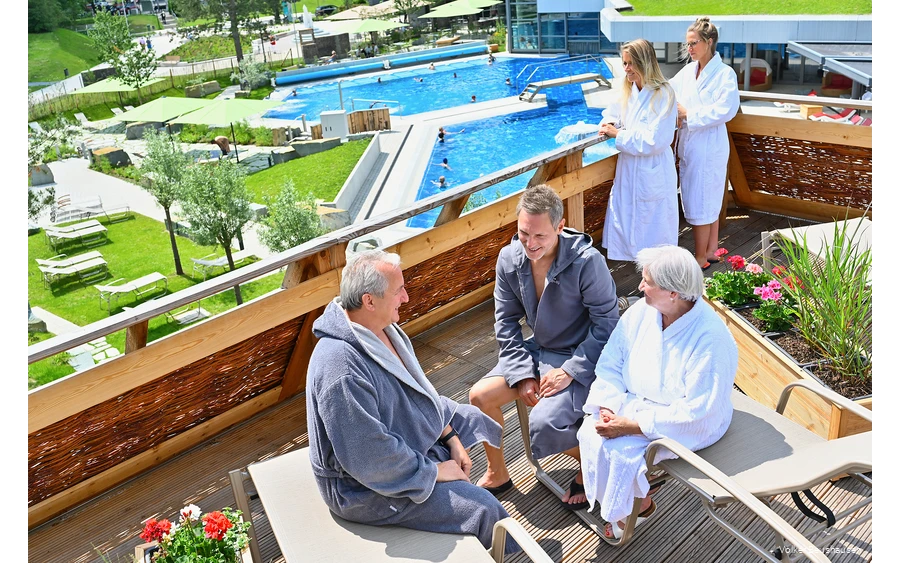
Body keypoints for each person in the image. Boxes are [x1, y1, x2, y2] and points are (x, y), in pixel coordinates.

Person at [305, 251, 519, 554]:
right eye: (398, 291)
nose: (406, 297)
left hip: (390, 440)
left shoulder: (381, 329)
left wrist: (450, 436)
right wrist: (434, 472)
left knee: (473, 418)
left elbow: (418, 393)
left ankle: (490, 476)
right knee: (482, 507)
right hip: (360, 487)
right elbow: (368, 457)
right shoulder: (341, 368)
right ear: (369, 301)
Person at [468, 184, 620, 509]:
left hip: (580, 356)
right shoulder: (509, 259)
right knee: (479, 397)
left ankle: (602, 467)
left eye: (540, 237)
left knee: (543, 421)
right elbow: (505, 323)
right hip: (537, 350)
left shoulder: (587, 262)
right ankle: (497, 473)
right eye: (524, 234)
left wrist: (569, 371)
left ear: (560, 227)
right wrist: (522, 374)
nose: (530, 244)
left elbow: (608, 324)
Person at [577, 244, 738, 539]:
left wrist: (634, 427)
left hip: (682, 421)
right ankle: (638, 502)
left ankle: (632, 509)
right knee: (590, 431)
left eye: (647, 282)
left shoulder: (710, 339)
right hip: (632, 403)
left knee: (621, 450)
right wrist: (608, 406)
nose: (639, 286)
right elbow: (611, 363)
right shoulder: (640, 313)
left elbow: (700, 411)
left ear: (673, 293)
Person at [597, 38, 678, 263]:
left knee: (655, 237)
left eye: (631, 63)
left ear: (645, 62)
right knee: (628, 224)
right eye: (624, 63)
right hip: (630, 169)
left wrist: (618, 134)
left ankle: (658, 280)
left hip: (653, 170)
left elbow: (655, 141)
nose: (626, 69)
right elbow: (611, 112)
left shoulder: (664, 94)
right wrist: (608, 123)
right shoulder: (628, 89)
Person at [669, 17, 740, 270]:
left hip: (710, 145)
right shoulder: (689, 71)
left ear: (709, 42)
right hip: (692, 144)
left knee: (703, 199)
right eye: (687, 44)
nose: (689, 48)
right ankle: (711, 250)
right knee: (705, 198)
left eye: (694, 43)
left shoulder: (724, 74)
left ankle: (700, 257)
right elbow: (668, 90)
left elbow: (727, 109)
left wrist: (689, 114)